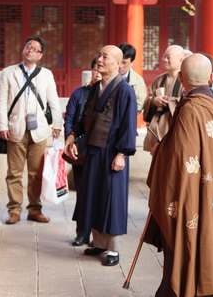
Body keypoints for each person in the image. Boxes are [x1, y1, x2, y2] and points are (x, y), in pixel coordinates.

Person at [146, 54, 213, 297]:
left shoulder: (188, 109)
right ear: (211, 78)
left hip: (195, 193)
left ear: (181, 78)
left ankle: (188, 287)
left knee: (190, 236)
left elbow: (177, 160)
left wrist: (159, 152)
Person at [64, 45, 137, 267]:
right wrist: (72, 134)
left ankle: (113, 249)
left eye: (105, 56)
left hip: (113, 151)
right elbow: (85, 117)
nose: (100, 59)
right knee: (93, 196)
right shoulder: (96, 88)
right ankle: (98, 242)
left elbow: (128, 125)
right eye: (99, 55)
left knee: (111, 199)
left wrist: (122, 154)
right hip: (94, 149)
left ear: (118, 63)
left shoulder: (125, 90)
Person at [0, 36, 63, 224]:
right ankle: (14, 210)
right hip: (15, 129)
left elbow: (53, 101)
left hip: (39, 130)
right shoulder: (8, 73)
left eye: (34, 49)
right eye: (28, 46)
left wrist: (57, 124)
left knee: (36, 173)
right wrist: (2, 126)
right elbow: (1, 102)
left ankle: (35, 209)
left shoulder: (46, 74)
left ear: (40, 55)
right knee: (14, 173)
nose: (30, 50)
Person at [64, 57, 102, 246]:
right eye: (95, 68)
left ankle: (98, 235)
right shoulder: (79, 93)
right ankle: (82, 232)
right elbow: (70, 119)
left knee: (99, 193)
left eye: (101, 69)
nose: (98, 73)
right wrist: (71, 142)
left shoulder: (110, 94)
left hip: (101, 150)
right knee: (83, 191)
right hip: (81, 148)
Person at [142, 45, 186, 151]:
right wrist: (153, 101)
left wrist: (168, 101)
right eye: (164, 57)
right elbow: (148, 98)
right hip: (157, 127)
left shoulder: (186, 79)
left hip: (173, 127)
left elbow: (187, 102)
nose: (165, 60)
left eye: (168, 57)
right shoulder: (159, 79)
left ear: (181, 60)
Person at [118, 43, 147, 113]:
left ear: (132, 63)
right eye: (119, 62)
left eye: (124, 63)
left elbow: (140, 105)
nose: (120, 66)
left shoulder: (138, 80)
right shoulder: (107, 75)